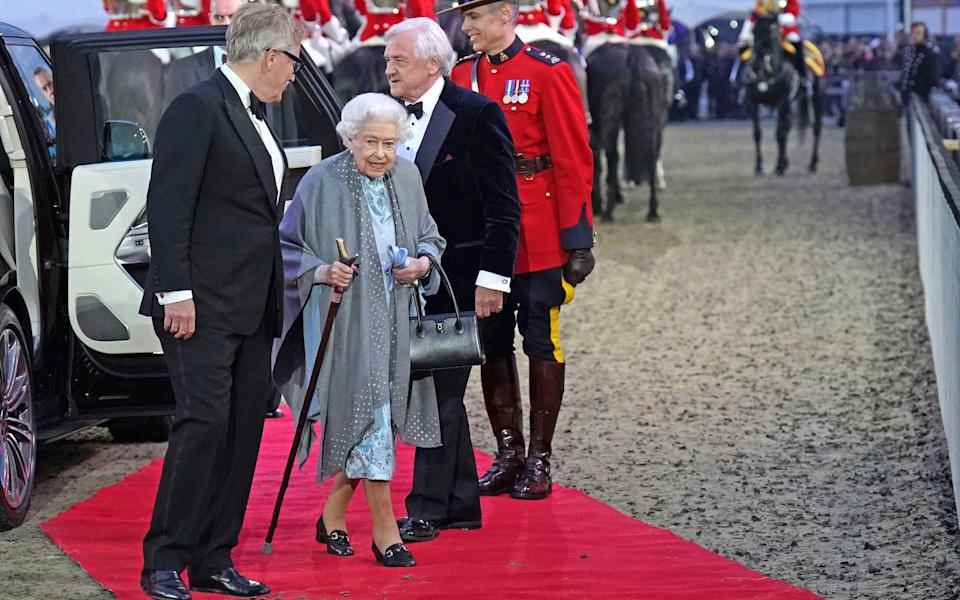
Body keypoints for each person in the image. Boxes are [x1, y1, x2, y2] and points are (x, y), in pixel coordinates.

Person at [138, 4, 303, 599]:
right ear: (267, 57)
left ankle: (214, 558)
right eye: (292, 61)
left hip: (252, 306)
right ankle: (164, 559)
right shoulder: (196, 107)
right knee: (202, 426)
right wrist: (176, 293)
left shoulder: (259, 114)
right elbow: (169, 205)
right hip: (199, 307)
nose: (294, 73)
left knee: (240, 434)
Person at [273, 92, 445, 568]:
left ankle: (332, 516)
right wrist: (324, 271)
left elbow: (430, 234)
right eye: (370, 142)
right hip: (345, 322)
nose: (380, 154)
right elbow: (286, 247)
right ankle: (386, 532)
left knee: (379, 417)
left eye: (389, 144)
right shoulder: (320, 181)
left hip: (397, 319)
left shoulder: (407, 176)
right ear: (349, 139)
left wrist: (422, 263)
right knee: (369, 414)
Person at [447, 0, 595, 501]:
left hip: (537, 229)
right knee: (491, 340)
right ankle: (508, 454)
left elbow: (574, 157)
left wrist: (577, 236)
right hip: (484, 232)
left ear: (506, 16)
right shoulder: (462, 73)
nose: (465, 26)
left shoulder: (546, 72)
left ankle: (540, 458)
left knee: (540, 342)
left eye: (474, 17)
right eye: (464, 18)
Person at [381, 18, 520, 543]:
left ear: (432, 64)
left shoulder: (478, 114)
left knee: (434, 392)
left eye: (398, 58)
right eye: (388, 59)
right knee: (438, 389)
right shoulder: (383, 114)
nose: (388, 66)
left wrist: (493, 279)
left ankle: (426, 507)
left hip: (462, 280)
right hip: (404, 281)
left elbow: (504, 209)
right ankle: (461, 504)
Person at [902, 21, 940, 107]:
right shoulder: (908, 51)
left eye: (918, 33)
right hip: (907, 98)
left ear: (925, 36)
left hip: (922, 98)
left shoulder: (930, 53)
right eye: (913, 33)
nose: (914, 36)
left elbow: (934, 79)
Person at [32, 67, 56, 140]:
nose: (50, 91)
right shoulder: (52, 122)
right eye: (44, 89)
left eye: (50, 84)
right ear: (43, 94)